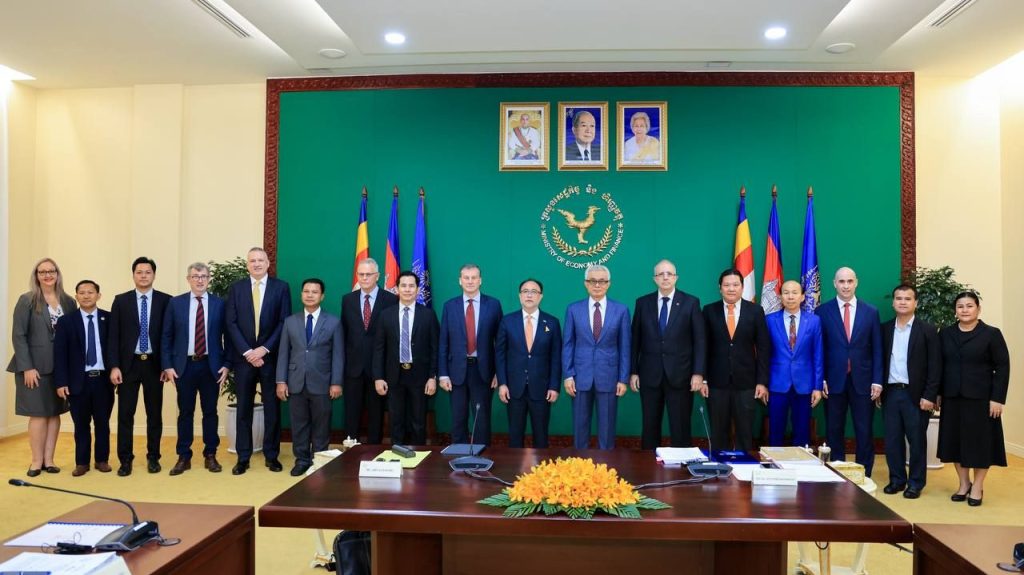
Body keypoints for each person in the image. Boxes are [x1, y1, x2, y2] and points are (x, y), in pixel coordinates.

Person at [937, 291, 1010, 507]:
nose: (965, 310)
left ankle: (977, 486)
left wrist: (997, 398)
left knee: (980, 445)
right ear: (955, 310)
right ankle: (963, 484)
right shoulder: (946, 334)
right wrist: (938, 392)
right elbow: (940, 366)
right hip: (952, 398)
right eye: (960, 306)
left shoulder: (991, 334)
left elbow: (1003, 367)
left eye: (969, 306)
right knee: (955, 443)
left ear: (978, 309)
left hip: (982, 400)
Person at [225, 247, 292, 475]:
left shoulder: (281, 288)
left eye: (260, 260)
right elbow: (231, 323)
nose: (256, 264)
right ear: (247, 265)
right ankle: (243, 457)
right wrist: (248, 352)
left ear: (268, 263)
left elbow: (284, 322)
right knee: (244, 408)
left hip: (270, 358)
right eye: (252, 261)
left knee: (272, 409)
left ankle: (271, 456)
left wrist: (263, 349)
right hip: (243, 360)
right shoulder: (236, 288)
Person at [161, 263, 230, 475]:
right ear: (188, 279)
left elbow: (229, 337)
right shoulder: (176, 303)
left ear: (209, 279)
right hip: (184, 367)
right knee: (185, 412)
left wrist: (227, 365)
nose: (199, 280)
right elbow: (166, 336)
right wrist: (167, 365)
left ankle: (210, 455)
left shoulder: (220, 304)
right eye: (195, 276)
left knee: (210, 412)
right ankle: (184, 456)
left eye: (203, 276)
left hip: (211, 366)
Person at [8, 258, 75, 476]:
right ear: (36, 276)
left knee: (54, 413)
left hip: (60, 368)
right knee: (38, 414)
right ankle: (36, 461)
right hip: (34, 368)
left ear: (58, 274)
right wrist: (27, 367)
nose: (47, 275)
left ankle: (49, 460)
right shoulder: (27, 300)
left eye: (51, 271)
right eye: (42, 272)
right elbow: (19, 335)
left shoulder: (68, 301)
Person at [630, 260, 706, 449]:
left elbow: (699, 341)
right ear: (654, 279)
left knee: (680, 427)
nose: (665, 277)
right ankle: (648, 464)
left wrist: (698, 373)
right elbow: (635, 340)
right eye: (660, 274)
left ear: (676, 277)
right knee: (650, 426)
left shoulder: (691, 302)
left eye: (669, 274)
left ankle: (681, 465)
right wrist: (633, 372)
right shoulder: (642, 303)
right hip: (649, 375)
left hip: (681, 376)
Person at [108, 256, 172, 476]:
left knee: (154, 415)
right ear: (133, 275)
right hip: (128, 366)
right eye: (139, 272)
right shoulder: (121, 301)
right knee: (125, 415)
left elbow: (169, 336)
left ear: (154, 275)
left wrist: (167, 365)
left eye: (148, 272)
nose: (143, 276)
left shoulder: (166, 301)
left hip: (155, 365)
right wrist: (114, 366)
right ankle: (125, 460)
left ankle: (153, 457)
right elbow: (113, 336)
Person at [817, 266, 882, 476]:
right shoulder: (822, 311)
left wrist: (877, 380)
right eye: (841, 281)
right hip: (833, 381)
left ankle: (864, 474)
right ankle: (837, 472)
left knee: (864, 430)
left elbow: (877, 348)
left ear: (856, 283)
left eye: (850, 281)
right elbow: (819, 349)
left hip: (863, 381)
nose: (846, 286)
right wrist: (821, 378)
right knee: (834, 429)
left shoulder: (870, 311)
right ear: (834, 284)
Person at [276, 278, 344, 476]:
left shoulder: (333, 322)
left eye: (315, 292)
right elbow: (283, 353)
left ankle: (319, 460)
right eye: (306, 291)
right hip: (295, 382)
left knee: (322, 425)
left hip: (323, 382)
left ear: (322, 296)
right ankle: (302, 460)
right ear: (301, 295)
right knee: (299, 424)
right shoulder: (290, 321)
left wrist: (336, 382)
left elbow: (338, 355)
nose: (310, 295)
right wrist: (281, 381)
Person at [880, 284, 941, 499]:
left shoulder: (928, 330)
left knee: (916, 441)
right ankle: (897, 479)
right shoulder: (885, 329)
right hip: (891, 393)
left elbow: (935, 366)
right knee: (892, 440)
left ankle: (915, 483)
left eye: (908, 299)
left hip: (916, 396)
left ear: (916, 303)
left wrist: (929, 395)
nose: (903, 302)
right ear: (893, 302)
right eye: (899, 298)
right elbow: (879, 361)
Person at [702, 268, 772, 452]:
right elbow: (703, 347)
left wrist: (762, 382)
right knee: (718, 433)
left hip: (747, 383)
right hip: (716, 383)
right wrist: (703, 379)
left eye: (735, 285)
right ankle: (720, 465)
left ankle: (743, 467)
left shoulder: (756, 311)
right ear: (720, 288)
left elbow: (763, 348)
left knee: (744, 432)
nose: (731, 289)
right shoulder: (709, 311)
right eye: (727, 285)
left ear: (742, 287)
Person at [563, 264, 630, 450]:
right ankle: (579, 464)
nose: (597, 285)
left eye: (602, 281)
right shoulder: (573, 309)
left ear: (609, 284)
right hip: (579, 377)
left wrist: (623, 379)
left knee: (607, 430)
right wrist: (568, 375)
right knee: (580, 428)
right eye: (593, 281)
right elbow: (568, 344)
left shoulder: (621, 310)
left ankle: (606, 465)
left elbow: (625, 346)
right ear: (586, 283)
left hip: (609, 377)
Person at [53, 280, 114, 477]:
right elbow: (60, 354)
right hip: (77, 382)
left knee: (102, 422)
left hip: (103, 380)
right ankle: (82, 462)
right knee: (81, 424)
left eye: (90, 292)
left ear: (98, 295)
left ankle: (102, 460)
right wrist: (61, 382)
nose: (86, 296)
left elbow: (115, 349)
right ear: (76, 296)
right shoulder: (66, 322)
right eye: (82, 292)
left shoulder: (109, 319)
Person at [438, 264, 503, 447]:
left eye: (474, 277)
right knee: (458, 419)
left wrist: (499, 373)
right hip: (456, 371)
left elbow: (500, 343)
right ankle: (459, 455)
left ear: (480, 280)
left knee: (481, 420)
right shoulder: (449, 306)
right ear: (460, 281)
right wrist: (443, 374)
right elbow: (443, 342)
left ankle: (482, 457)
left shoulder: (494, 305)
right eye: (466, 278)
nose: (470, 281)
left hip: (483, 372)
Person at [373, 271, 439, 445]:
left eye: (411, 286)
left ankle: (420, 456)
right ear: (397, 289)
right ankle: (397, 455)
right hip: (393, 376)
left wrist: (432, 377)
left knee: (418, 422)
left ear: (417, 290)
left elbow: (435, 348)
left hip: (420, 377)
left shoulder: (428, 315)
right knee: (396, 422)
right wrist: (378, 377)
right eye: (403, 285)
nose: (407, 289)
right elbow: (379, 349)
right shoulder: (385, 315)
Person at [495, 279, 561, 448]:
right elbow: (500, 355)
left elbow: (556, 357)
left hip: (542, 389)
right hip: (514, 389)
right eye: (525, 291)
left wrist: (554, 386)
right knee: (515, 437)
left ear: (541, 296)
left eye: (534, 291)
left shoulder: (552, 322)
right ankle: (515, 465)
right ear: (520, 296)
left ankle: (541, 465)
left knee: (541, 437)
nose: (529, 295)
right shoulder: (507, 321)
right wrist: (502, 383)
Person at [340, 258, 397, 444]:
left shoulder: (390, 299)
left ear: (377, 276)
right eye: (361, 274)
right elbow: (344, 334)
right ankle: (350, 452)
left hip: (378, 369)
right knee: (351, 414)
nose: (364, 278)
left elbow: (392, 337)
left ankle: (374, 451)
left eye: (368, 274)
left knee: (376, 415)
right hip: (353, 368)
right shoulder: (347, 300)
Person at [766, 280, 824, 447]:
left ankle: (801, 462)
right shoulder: (769, 320)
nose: (790, 296)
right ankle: (774, 463)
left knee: (802, 432)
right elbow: (764, 354)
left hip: (804, 385)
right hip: (777, 384)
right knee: (775, 432)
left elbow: (818, 355)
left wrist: (817, 387)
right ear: (780, 296)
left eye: (794, 292)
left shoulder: (814, 321)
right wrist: (763, 383)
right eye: (786, 292)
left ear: (803, 296)